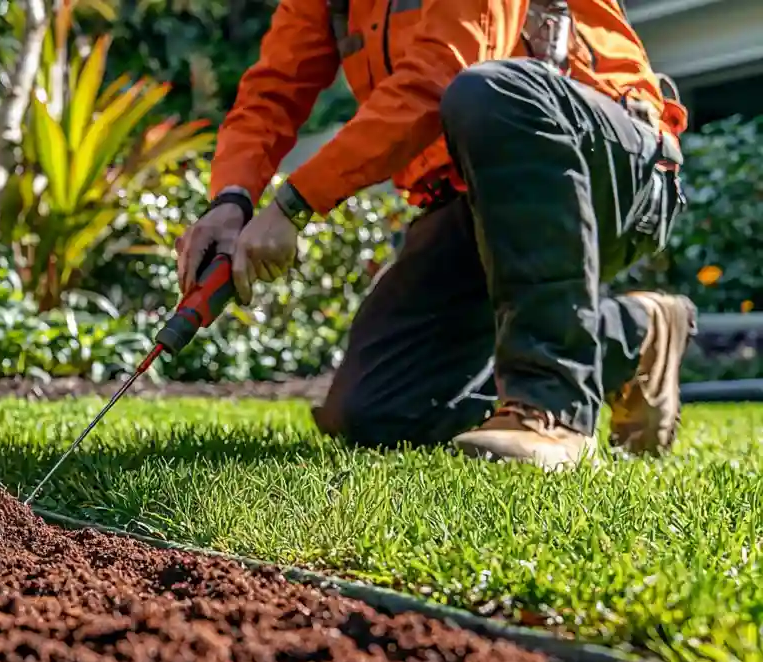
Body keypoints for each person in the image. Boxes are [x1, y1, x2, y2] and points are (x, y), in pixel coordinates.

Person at [177, 0, 697, 470]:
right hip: (473, 199)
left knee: (491, 87)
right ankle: (634, 333)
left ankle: (552, 408)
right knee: (374, 411)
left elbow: (443, 71)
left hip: (614, 169)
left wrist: (294, 203)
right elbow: (272, 92)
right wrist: (231, 201)